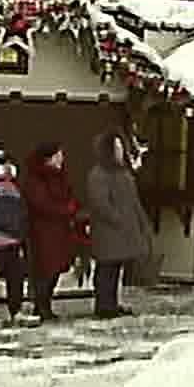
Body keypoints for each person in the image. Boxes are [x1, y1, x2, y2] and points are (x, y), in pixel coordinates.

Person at [84, 131, 153, 320]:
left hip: (123, 231)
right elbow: (99, 203)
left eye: (121, 147)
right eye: (117, 147)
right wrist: (117, 218)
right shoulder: (98, 174)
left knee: (115, 270)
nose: (121, 151)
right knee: (106, 269)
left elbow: (134, 201)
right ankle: (103, 305)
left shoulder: (123, 173)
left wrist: (141, 222)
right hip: (108, 232)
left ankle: (111, 303)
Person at [23, 142, 79, 323]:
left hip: (60, 230)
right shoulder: (36, 178)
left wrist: (70, 207)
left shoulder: (60, 177)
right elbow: (40, 204)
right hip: (43, 231)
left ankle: (45, 305)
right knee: (45, 270)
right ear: (49, 157)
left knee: (55, 270)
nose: (61, 158)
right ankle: (41, 306)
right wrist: (65, 209)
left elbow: (69, 196)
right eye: (58, 155)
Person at [0, 148, 38, 325]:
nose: (8, 167)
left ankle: (15, 310)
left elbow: (21, 212)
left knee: (16, 277)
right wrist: (8, 225)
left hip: (13, 243)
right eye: (3, 163)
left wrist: (21, 230)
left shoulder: (14, 188)